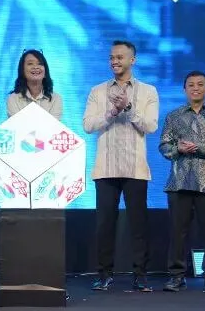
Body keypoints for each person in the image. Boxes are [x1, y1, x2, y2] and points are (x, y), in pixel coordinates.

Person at [82, 40, 159, 292]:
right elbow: (88, 125)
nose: (114, 61)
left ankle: (140, 275)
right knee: (105, 225)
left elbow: (151, 126)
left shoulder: (148, 91)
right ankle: (104, 274)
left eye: (120, 57)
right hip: (105, 168)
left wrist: (128, 107)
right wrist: (112, 112)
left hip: (136, 168)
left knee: (138, 225)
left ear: (132, 60)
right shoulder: (97, 91)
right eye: (111, 57)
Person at [158, 70, 205, 293]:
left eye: (200, 84)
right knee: (178, 232)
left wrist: (199, 148)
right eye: (191, 85)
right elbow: (164, 146)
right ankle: (176, 276)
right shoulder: (174, 116)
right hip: (179, 183)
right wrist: (177, 149)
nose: (195, 88)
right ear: (185, 89)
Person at [5, 49, 62, 119]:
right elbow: (18, 124)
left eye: (40, 64)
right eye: (30, 63)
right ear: (22, 70)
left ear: (45, 72)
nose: (35, 67)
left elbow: (53, 125)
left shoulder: (56, 99)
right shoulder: (13, 99)